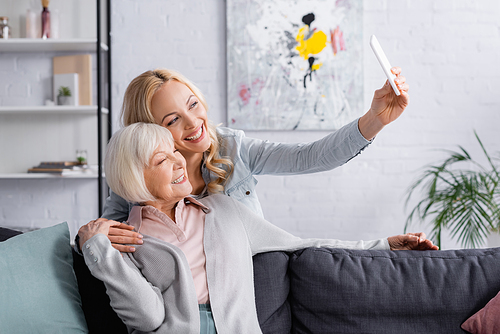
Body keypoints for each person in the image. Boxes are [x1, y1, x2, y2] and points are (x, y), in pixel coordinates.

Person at [78, 123, 437, 334]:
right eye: (162, 159)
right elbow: (147, 317)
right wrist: (98, 250)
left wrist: (384, 245)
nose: (178, 162)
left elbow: (303, 243)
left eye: (174, 151)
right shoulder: (123, 239)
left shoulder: (221, 211)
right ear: (134, 177)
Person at [101, 68, 409, 252]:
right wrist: (92, 233)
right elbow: (107, 231)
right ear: (148, 131)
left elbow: (309, 157)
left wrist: (375, 119)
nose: (194, 123)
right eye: (173, 120)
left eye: (193, 105)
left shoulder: (234, 149)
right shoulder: (134, 174)